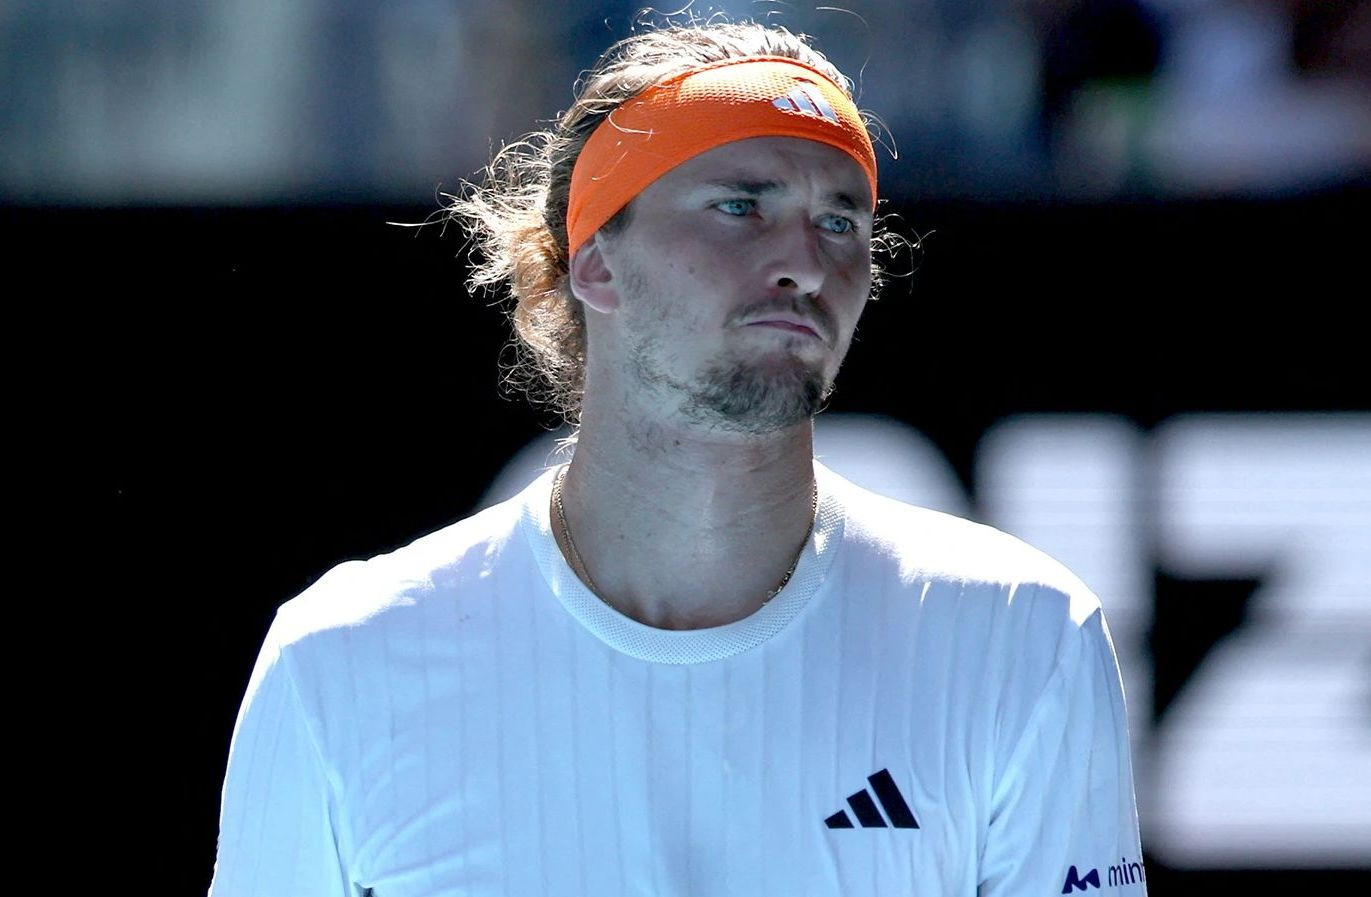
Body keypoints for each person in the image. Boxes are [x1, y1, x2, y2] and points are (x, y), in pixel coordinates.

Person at [208, 19, 1146, 897]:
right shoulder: (340, 658)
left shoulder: (1022, 634)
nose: (806, 264)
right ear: (593, 261)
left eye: (840, 222)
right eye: (740, 207)